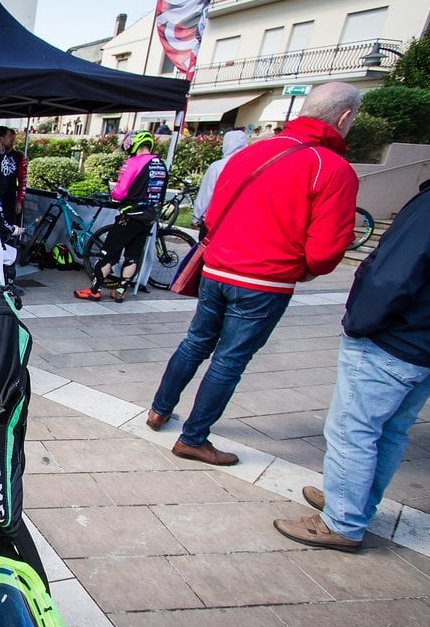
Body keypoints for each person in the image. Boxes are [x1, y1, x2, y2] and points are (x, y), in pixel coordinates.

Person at [145, 82, 361, 466]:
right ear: (344, 118)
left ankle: (159, 410)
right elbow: (326, 251)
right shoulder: (331, 168)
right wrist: (303, 268)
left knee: (195, 342)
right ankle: (193, 438)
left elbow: (211, 216)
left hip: (218, 269)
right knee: (229, 360)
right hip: (265, 281)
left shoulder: (253, 153)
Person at [274, 180, 430, 552]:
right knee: (390, 430)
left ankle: (343, 520)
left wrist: (359, 322)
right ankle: (354, 503)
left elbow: (394, 274)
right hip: (421, 344)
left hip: (396, 338)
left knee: (353, 431)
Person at [74, 130, 167, 303]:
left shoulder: (133, 163)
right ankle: (121, 290)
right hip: (147, 218)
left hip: (129, 215)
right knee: (133, 255)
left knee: (108, 253)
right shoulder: (160, 164)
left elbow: (119, 192)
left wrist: (114, 193)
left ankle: (95, 290)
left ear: (134, 144)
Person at [191, 129, 248, 236]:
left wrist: (196, 217)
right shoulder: (251, 167)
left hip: (213, 221)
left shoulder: (217, 167)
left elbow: (206, 194)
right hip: (239, 224)